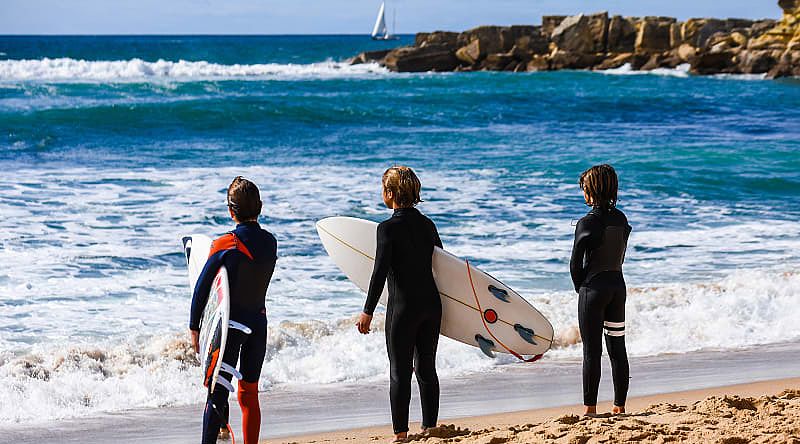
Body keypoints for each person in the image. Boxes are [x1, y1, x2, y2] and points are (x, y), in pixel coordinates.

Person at [356, 166, 443, 442]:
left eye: (383, 189)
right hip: (431, 305)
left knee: (400, 370)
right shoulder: (428, 225)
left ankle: (401, 434)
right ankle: (430, 427)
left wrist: (367, 311)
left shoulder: (387, 229)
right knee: (427, 366)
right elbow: (444, 267)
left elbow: (379, 272)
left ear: (390, 193)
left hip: (403, 309)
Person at [189, 176, 277, 444]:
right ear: (260, 207)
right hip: (258, 324)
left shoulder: (225, 244)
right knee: (249, 394)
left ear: (230, 210)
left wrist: (195, 328)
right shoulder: (271, 241)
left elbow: (202, 289)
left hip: (230, 328)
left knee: (216, 392)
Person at [569, 164, 631, 416]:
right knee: (617, 348)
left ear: (591, 191)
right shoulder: (621, 219)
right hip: (617, 285)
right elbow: (619, 253)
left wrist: (581, 288)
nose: (583, 193)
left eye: (584, 188)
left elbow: (575, 263)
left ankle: (590, 409)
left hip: (593, 290)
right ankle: (619, 406)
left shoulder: (587, 223)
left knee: (592, 351)